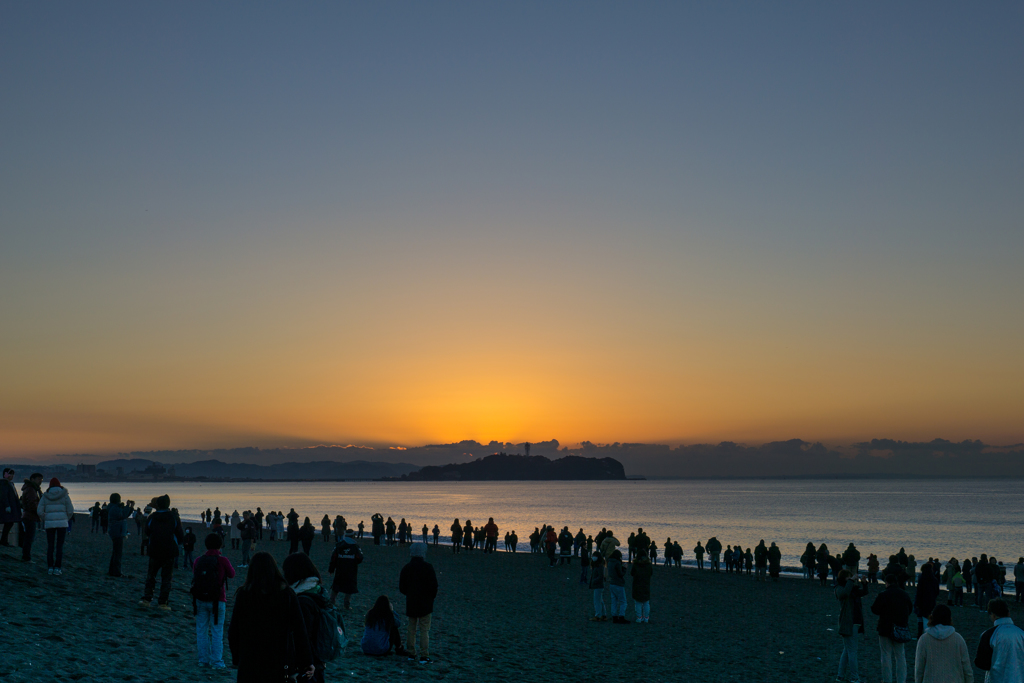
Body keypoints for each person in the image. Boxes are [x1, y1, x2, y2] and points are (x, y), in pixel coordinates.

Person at [227, 552, 314, 682]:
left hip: (250, 662)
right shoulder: (287, 594)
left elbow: (234, 630)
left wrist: (236, 657)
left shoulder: (244, 594)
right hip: (279, 662)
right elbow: (299, 631)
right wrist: (306, 662)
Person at [283, 552, 334, 683]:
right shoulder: (318, 591)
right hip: (319, 660)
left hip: (307, 665)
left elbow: (301, 637)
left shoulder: (301, 601)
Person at [193, 533, 236, 671]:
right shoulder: (222, 560)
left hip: (200, 598)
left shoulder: (199, 560)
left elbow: (195, 573)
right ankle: (217, 661)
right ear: (220, 545)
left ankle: (203, 660)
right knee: (217, 631)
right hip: (218, 600)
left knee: (201, 630)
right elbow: (232, 574)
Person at [138, 494, 185, 609]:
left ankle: (147, 599)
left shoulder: (152, 517)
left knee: (151, 576)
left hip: (154, 549)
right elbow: (179, 533)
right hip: (169, 551)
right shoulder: (173, 517)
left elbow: (147, 531)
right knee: (166, 578)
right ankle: (162, 603)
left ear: (158, 505)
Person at [399, 543, 438, 664]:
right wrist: (430, 597)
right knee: (424, 630)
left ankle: (411, 653)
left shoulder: (407, 567)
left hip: (412, 601)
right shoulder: (428, 567)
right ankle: (424, 655)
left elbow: (402, 587)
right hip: (425, 603)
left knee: (411, 628)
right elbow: (434, 586)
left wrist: (409, 594)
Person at [872, 573, 915, 683]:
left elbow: (875, 609)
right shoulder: (904, 594)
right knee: (900, 655)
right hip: (900, 628)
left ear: (887, 583)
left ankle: (887, 680)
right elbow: (910, 609)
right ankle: (901, 680)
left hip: (885, 627)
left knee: (886, 655)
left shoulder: (883, 594)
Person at [914, 604, 973, 683]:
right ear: (949, 619)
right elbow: (967, 669)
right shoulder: (958, 639)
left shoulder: (924, 640)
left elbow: (919, 669)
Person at [975, 599, 1024, 683]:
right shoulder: (1021, 633)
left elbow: (982, 663)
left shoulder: (988, 634)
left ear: (993, 615)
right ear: (1008, 613)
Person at [836, 570, 869, 683]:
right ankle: (854, 677)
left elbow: (864, 592)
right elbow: (844, 593)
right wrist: (851, 580)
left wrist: (864, 583)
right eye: (849, 577)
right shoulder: (839, 589)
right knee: (852, 651)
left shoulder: (852, 589)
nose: (852, 579)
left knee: (848, 650)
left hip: (855, 621)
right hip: (848, 623)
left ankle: (840, 675)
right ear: (845, 578)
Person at [39, 477, 74, 576]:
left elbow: (39, 511)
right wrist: (65, 518)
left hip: (49, 524)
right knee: (59, 546)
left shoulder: (45, 496)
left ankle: (50, 567)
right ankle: (58, 568)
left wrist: (45, 517)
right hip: (62, 524)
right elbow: (70, 510)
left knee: (50, 546)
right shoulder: (65, 495)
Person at [328, 528, 364, 610]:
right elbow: (360, 558)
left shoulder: (339, 545)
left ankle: (331, 601)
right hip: (351, 570)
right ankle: (346, 604)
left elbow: (333, 558)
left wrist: (331, 569)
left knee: (336, 586)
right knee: (349, 587)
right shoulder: (355, 547)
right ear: (353, 536)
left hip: (340, 569)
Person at [106, 493, 135, 577]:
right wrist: (127, 506)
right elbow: (123, 515)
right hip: (117, 532)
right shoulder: (114, 508)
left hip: (116, 531)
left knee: (116, 552)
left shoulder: (113, 507)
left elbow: (124, 515)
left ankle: (112, 570)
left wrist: (131, 507)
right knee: (118, 553)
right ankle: (116, 572)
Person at [18, 472, 43, 562]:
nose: (40, 481)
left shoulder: (31, 488)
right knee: (29, 538)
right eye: (39, 479)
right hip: (30, 516)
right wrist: (39, 511)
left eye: (41, 479)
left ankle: (26, 556)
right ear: (33, 479)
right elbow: (32, 504)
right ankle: (26, 557)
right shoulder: (31, 489)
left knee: (28, 538)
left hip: (28, 516)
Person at [606, 548, 629, 625]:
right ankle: (621, 616)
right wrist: (624, 568)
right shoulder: (617, 562)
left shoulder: (609, 562)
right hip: (618, 583)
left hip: (612, 583)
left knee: (614, 601)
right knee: (623, 601)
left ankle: (614, 617)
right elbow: (621, 574)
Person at [0, 467, 22, 546]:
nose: (12, 476)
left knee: (9, 523)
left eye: (12, 474)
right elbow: (4, 495)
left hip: (11, 507)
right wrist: (7, 506)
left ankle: (4, 540)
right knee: (8, 523)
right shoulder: (4, 483)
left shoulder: (10, 483)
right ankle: (3, 540)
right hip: (7, 508)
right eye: (10, 474)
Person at [631, 552, 653, 623]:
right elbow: (651, 573)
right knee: (646, 602)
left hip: (637, 584)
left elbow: (632, 573)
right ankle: (646, 618)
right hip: (646, 584)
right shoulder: (648, 565)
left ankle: (639, 618)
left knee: (638, 602)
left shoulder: (636, 564)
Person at [589, 553, 607, 621]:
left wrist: (594, 581)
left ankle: (598, 615)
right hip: (598, 585)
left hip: (598, 585)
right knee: (600, 600)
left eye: (595, 556)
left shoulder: (599, 566)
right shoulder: (596, 565)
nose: (593, 557)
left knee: (597, 601)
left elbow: (600, 576)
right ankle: (603, 615)